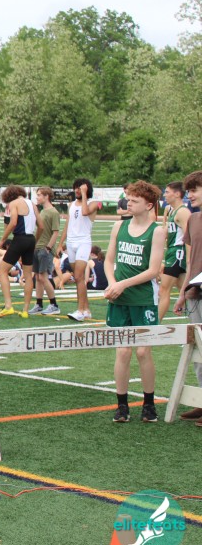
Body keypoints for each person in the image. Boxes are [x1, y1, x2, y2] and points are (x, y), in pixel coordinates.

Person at [103, 180, 166, 424]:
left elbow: (153, 270)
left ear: (149, 205)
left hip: (143, 299)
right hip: (120, 299)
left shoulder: (156, 231)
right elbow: (109, 260)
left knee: (142, 351)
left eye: (134, 200)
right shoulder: (119, 226)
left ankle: (149, 404)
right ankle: (122, 405)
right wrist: (112, 283)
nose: (128, 203)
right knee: (122, 351)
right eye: (128, 199)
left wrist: (123, 285)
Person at [173, 169, 202, 426]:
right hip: (195, 291)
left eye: (194, 190)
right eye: (188, 191)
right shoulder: (193, 219)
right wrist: (183, 293)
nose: (189, 195)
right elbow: (191, 261)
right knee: (197, 352)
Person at [58, 178, 102, 321]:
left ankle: (81, 310)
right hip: (71, 243)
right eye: (76, 188)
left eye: (80, 188)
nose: (77, 190)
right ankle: (86, 309)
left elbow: (84, 212)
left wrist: (84, 194)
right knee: (79, 278)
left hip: (83, 242)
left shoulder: (93, 203)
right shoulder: (71, 204)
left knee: (78, 277)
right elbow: (68, 224)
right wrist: (60, 243)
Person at [0, 186, 41, 318]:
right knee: (28, 275)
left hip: (20, 238)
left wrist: (3, 239)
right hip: (31, 239)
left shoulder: (14, 203)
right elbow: (41, 226)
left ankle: (8, 306)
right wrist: (35, 240)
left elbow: (13, 222)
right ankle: (25, 310)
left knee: (2, 271)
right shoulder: (32, 204)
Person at [159, 181, 190, 321]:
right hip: (173, 252)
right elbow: (165, 233)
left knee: (164, 290)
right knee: (187, 292)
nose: (164, 195)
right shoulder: (172, 210)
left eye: (167, 192)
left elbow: (189, 237)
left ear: (177, 194)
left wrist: (189, 260)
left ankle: (153, 326)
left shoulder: (182, 212)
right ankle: (196, 321)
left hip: (178, 254)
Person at [29, 187, 62, 315]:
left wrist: (48, 248)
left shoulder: (53, 212)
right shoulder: (42, 211)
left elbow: (55, 232)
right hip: (37, 247)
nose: (37, 197)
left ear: (46, 196)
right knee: (38, 277)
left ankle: (54, 304)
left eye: (39, 195)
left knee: (43, 277)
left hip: (45, 248)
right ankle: (39, 304)